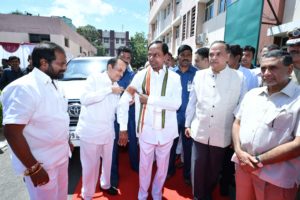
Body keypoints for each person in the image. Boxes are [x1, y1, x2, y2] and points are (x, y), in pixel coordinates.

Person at [1, 41, 70, 200]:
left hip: (61, 157)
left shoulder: (55, 83)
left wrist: (66, 142)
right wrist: (33, 168)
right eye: (61, 63)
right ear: (44, 63)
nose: (65, 67)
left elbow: (56, 117)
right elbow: (11, 132)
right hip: (42, 164)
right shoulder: (24, 87)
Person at [117, 40, 182, 200]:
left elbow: (176, 104)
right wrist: (123, 127)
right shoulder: (140, 76)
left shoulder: (174, 78)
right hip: (146, 131)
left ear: (166, 56)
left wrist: (150, 99)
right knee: (144, 166)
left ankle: (157, 193)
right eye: (150, 55)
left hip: (167, 132)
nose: (152, 58)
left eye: (156, 55)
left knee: (162, 167)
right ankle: (143, 194)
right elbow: (124, 99)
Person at [232, 50, 300, 200]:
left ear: (289, 70)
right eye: (263, 68)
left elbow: (298, 144)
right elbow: (237, 123)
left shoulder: (298, 98)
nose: (266, 73)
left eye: (273, 68)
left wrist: (258, 161)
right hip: (244, 168)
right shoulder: (252, 94)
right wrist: (238, 150)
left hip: (276, 177)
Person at [185, 40, 247, 199]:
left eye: (218, 54)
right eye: (211, 54)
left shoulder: (239, 77)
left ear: (228, 56)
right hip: (199, 130)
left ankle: (207, 193)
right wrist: (187, 124)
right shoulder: (199, 75)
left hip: (222, 134)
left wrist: (237, 136)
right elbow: (192, 102)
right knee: (197, 168)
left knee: (213, 171)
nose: (213, 57)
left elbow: (242, 108)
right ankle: (199, 196)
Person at [76, 57, 128, 199]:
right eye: (119, 70)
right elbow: (85, 99)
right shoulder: (95, 79)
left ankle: (105, 185)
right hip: (91, 132)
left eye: (123, 72)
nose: (121, 74)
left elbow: (118, 110)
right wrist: (109, 90)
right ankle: (87, 194)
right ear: (110, 67)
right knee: (90, 167)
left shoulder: (117, 86)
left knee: (107, 163)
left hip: (108, 132)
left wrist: (126, 103)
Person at [168, 44, 197, 186]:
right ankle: (169, 170)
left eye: (189, 55)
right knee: (171, 146)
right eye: (183, 54)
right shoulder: (171, 74)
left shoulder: (198, 74)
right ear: (178, 56)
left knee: (188, 148)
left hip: (190, 120)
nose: (186, 57)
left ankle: (187, 174)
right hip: (173, 117)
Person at [111, 46, 139, 188]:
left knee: (133, 141)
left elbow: (138, 91)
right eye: (123, 57)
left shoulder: (133, 74)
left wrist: (135, 96)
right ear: (118, 57)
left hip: (131, 113)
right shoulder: (111, 73)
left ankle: (135, 166)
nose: (126, 61)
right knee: (113, 145)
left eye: (128, 58)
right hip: (114, 115)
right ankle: (113, 176)